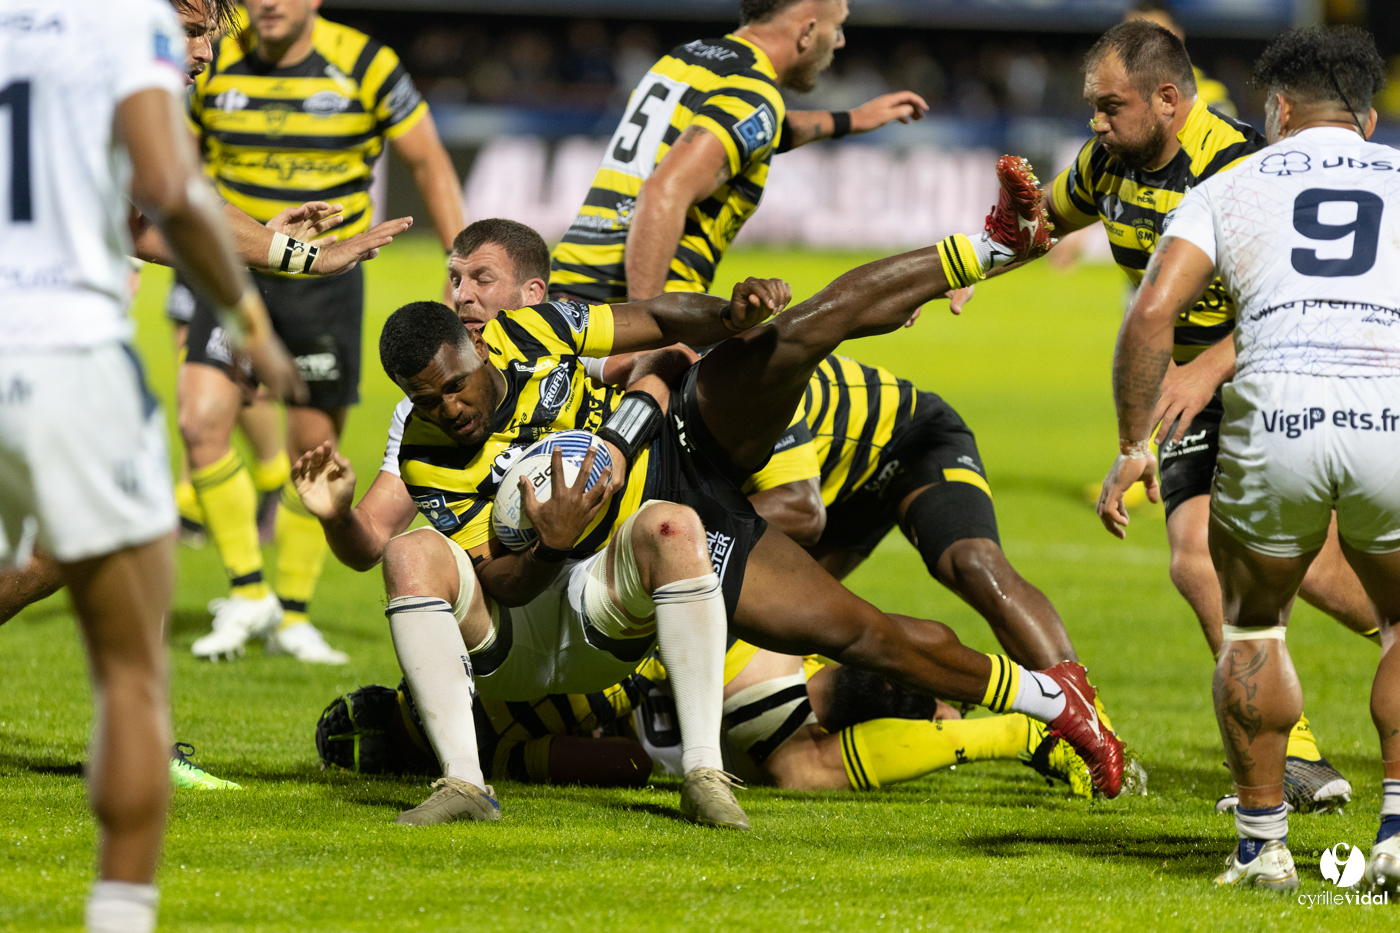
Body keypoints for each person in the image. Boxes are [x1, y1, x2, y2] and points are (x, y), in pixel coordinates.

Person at [296, 162, 1130, 834]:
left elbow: (657, 323)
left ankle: (991, 245)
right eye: (456, 283)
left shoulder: (537, 330)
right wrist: (549, 537)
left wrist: (726, 315)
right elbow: (491, 579)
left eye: (478, 281)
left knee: (789, 330)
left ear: (500, 323)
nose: (451, 403)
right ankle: (1045, 703)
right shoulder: (429, 451)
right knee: (859, 634)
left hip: (671, 463)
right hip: (611, 564)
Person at [960, 19, 1372, 812]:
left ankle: (1292, 750)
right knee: (1231, 560)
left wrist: (1204, 367)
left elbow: (1300, 300)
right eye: (1092, 107)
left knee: (1278, 560)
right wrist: (970, 265)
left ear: (1169, 99)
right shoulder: (1105, 162)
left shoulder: (1240, 165)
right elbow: (1040, 220)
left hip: (1264, 365)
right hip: (1191, 381)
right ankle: (1299, 754)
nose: (1096, 123)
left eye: (1111, 106)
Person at [0, 1, 302, 929]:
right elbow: (168, 192)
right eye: (200, 24)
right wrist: (251, 317)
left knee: (45, 556)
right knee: (131, 653)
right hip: (65, 350)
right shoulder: (127, 28)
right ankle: (121, 914)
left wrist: (290, 244)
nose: (204, 44)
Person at [1099, 25, 1398, 893]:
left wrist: (1133, 445)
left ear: (1274, 111)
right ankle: (1395, 836)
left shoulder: (1230, 182)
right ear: (1369, 119)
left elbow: (1152, 314)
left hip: (1275, 421)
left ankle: (1262, 844)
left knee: (1254, 623)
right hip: (1388, 410)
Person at [180, 0, 462, 664]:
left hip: (326, 280)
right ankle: (248, 594)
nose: (268, 3)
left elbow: (428, 160)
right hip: (231, 266)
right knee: (199, 422)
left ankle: (294, 614)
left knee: (314, 450)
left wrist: (463, 262)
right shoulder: (208, 50)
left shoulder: (365, 62)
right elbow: (174, 167)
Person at [740, 352, 1143, 790]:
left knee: (971, 563)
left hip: (905, 440)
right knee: (791, 622)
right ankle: (937, 699)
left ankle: (1091, 727)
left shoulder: (748, 379)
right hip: (832, 488)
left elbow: (800, 508)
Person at [549, 0, 928, 303]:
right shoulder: (753, 95)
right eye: (838, 25)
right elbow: (663, 192)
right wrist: (645, 332)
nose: (840, 40)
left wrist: (851, 120)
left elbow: (746, 134)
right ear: (808, 31)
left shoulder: (687, 58)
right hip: (615, 308)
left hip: (569, 288)